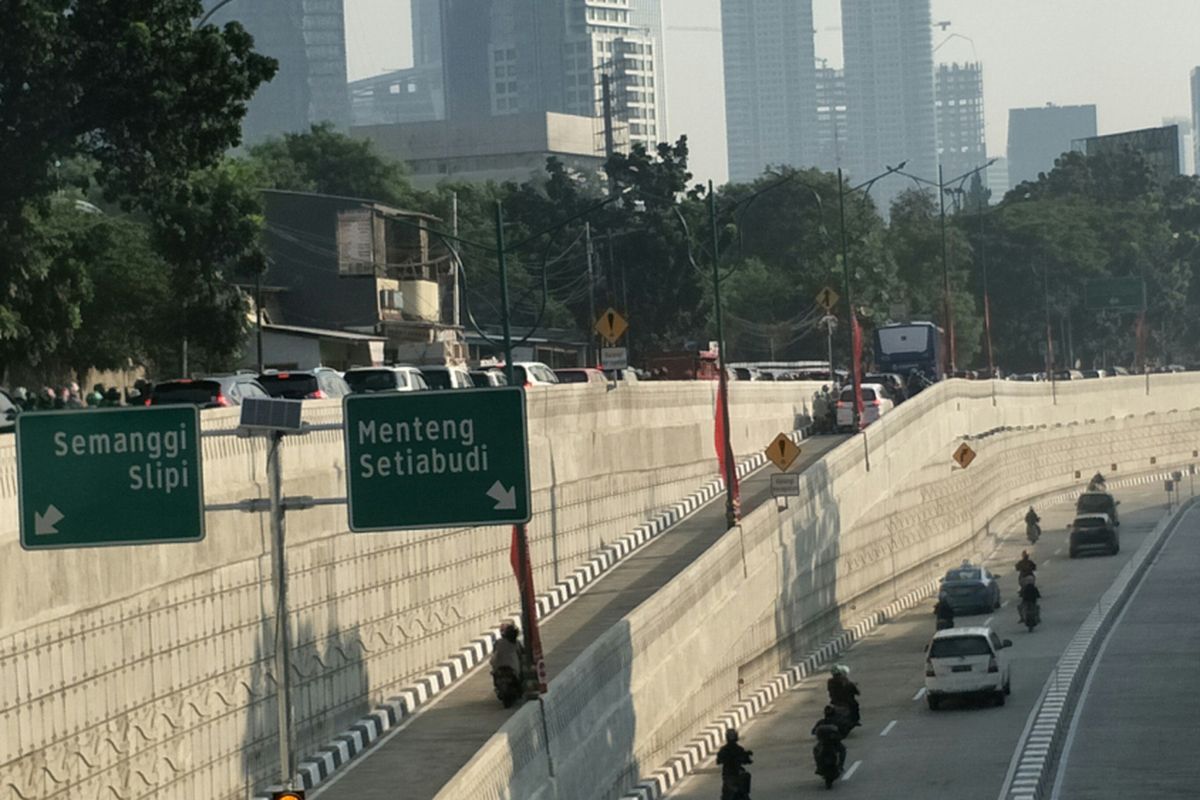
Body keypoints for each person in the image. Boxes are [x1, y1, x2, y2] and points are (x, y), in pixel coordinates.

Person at [716, 728, 752, 800]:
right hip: (733, 775)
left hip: (729, 776)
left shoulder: (724, 749)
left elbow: (718, 760)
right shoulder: (738, 749)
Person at [811, 705, 847, 773]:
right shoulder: (836, 721)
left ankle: (819, 766)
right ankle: (840, 766)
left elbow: (813, 731)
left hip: (826, 743)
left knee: (816, 750)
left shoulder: (821, 722)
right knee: (843, 750)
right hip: (831, 743)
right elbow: (843, 730)